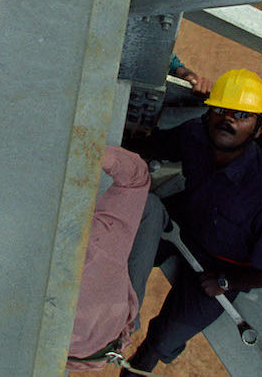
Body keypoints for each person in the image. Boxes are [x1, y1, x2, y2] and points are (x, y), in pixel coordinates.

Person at [125, 69, 262, 372]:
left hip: (223, 266)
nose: (228, 119)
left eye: (241, 115)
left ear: (258, 129)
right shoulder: (195, 134)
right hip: (185, 220)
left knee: (166, 336)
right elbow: (153, 145)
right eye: (220, 109)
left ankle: (139, 365)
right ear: (209, 113)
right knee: (120, 253)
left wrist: (228, 281)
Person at [68, 146, 152, 371]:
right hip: (98, 344)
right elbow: (137, 178)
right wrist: (88, 149)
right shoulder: (100, 243)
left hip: (84, 349)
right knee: (152, 208)